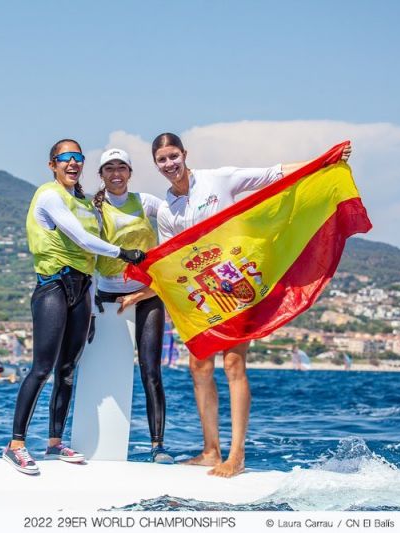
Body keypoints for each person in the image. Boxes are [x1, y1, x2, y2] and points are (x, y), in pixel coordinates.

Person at [122, 132, 351, 477]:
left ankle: (236, 455)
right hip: (201, 296)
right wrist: (138, 294)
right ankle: (210, 451)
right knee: (199, 367)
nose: (169, 164)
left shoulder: (219, 179)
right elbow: (173, 267)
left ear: (184, 154)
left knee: (233, 363)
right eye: (162, 160)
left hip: (236, 285)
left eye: (173, 156)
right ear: (156, 165)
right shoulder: (168, 210)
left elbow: (274, 174)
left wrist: (324, 160)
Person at [3, 139, 146, 475]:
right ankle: (15, 445)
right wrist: (124, 253)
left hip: (82, 290)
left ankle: (54, 443)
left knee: (67, 371)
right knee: (42, 367)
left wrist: (93, 304)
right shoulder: (50, 195)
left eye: (77, 158)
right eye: (65, 158)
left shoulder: (85, 202)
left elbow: (91, 257)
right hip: (53, 287)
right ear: (52, 164)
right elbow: (81, 239)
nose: (72, 163)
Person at [91, 148, 173, 464]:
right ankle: (98, 444)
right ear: (101, 175)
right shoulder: (95, 208)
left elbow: (176, 220)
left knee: (151, 371)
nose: (116, 173)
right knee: (105, 372)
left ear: (129, 172)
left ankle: (157, 445)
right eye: (109, 168)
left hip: (147, 295)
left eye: (121, 167)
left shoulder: (146, 202)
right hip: (108, 298)